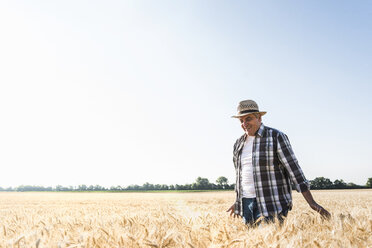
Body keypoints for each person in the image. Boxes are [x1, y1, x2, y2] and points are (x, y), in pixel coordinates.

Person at [227, 100, 330, 226]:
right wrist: (238, 201)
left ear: (259, 117)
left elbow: (294, 169)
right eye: (241, 121)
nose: (244, 124)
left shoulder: (276, 136)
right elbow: (241, 176)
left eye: (248, 119)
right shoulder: (238, 144)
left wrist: (312, 203)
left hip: (271, 203)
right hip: (246, 203)